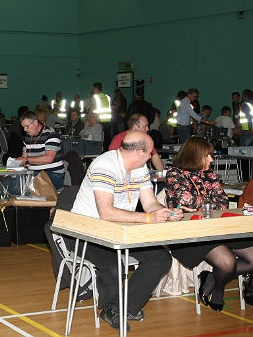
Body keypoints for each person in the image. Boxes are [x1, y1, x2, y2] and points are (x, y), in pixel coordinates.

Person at [70, 130, 183, 331]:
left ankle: (122, 306)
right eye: (150, 153)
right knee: (115, 264)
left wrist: (164, 212)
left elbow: (150, 204)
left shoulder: (139, 168)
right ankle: (113, 307)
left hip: (121, 231)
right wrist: (148, 218)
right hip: (88, 231)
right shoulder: (104, 165)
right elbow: (106, 213)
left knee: (161, 258)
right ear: (140, 152)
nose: (152, 157)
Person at [164, 137, 253, 311]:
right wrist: (206, 201)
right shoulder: (175, 174)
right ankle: (218, 290)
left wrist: (201, 203)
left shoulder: (209, 174)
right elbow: (187, 201)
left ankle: (212, 278)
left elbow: (223, 202)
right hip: (189, 232)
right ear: (195, 156)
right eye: (208, 155)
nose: (211, 160)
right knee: (227, 263)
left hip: (217, 228)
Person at [3, 111, 64, 194]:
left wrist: (26, 160)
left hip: (53, 175)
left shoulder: (51, 135)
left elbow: (49, 158)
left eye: (27, 126)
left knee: (18, 186)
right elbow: (24, 157)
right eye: (23, 127)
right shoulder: (27, 138)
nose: (25, 130)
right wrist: (17, 162)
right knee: (6, 182)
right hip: (33, 174)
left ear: (35, 122)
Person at [91, 82, 113, 150]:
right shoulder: (107, 96)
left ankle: (99, 150)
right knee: (107, 137)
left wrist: (90, 117)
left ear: (96, 89)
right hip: (108, 119)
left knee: (99, 137)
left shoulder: (96, 97)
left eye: (93, 88)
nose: (93, 90)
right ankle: (107, 150)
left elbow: (93, 107)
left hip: (100, 119)